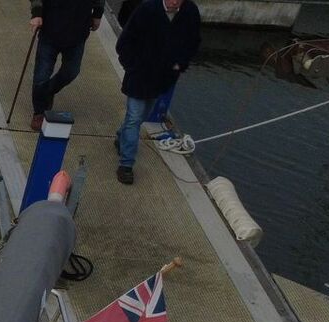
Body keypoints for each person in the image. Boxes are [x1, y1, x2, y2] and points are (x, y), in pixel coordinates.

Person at [114, 0, 201, 184]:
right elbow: (125, 41)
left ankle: (121, 136)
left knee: (141, 116)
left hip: (162, 78)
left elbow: (193, 41)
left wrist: (180, 64)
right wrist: (131, 65)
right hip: (139, 75)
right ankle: (126, 165)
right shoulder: (147, 9)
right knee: (134, 118)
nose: (174, 2)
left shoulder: (190, 12)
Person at [28, 0, 105, 131]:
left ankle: (48, 91)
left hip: (78, 31)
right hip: (50, 27)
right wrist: (36, 13)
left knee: (71, 71)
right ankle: (39, 112)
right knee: (41, 74)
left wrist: (97, 14)